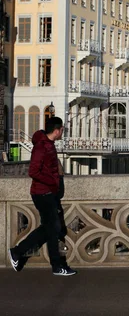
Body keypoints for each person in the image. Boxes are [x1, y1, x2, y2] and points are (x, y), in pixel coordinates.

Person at [9, 117, 77, 276]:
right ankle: (20, 252)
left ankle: (53, 264)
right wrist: (53, 182)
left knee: (52, 228)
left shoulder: (48, 145)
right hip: (42, 193)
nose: (62, 132)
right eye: (62, 130)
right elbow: (33, 171)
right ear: (57, 130)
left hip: (47, 192)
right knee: (52, 228)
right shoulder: (41, 147)